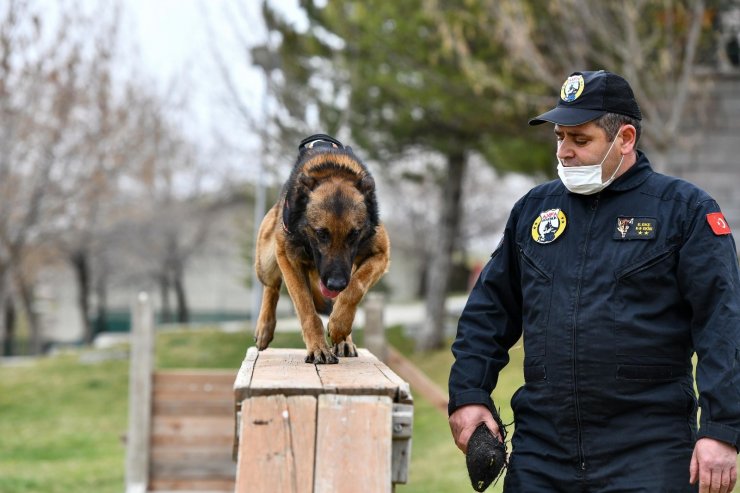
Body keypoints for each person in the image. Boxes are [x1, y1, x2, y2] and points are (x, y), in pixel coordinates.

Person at [448, 70, 740, 492]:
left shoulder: (685, 212)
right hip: (542, 452)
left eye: (580, 140)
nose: (564, 152)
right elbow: (487, 315)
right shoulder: (533, 212)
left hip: (649, 453)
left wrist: (720, 428)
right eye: (559, 137)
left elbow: (723, 326)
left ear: (624, 139)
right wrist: (469, 395)